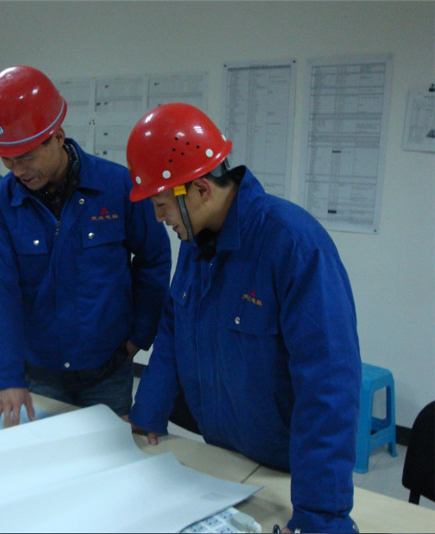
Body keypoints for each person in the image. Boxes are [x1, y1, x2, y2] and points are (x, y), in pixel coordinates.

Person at [126, 103, 361, 533]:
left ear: (200, 189)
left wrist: (320, 516)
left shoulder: (293, 244)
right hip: (224, 459)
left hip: (288, 472)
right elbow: (174, 327)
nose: (159, 218)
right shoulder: (196, 243)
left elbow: (328, 385)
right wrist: (149, 411)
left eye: (161, 204)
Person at [0, 66, 172, 430]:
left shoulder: (117, 186)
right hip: (41, 371)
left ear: (57, 137)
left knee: (110, 456)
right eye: (7, 159)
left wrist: (139, 337)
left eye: (25, 156)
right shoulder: (2, 204)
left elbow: (154, 258)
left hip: (108, 368)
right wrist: (7, 377)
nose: (17, 171)